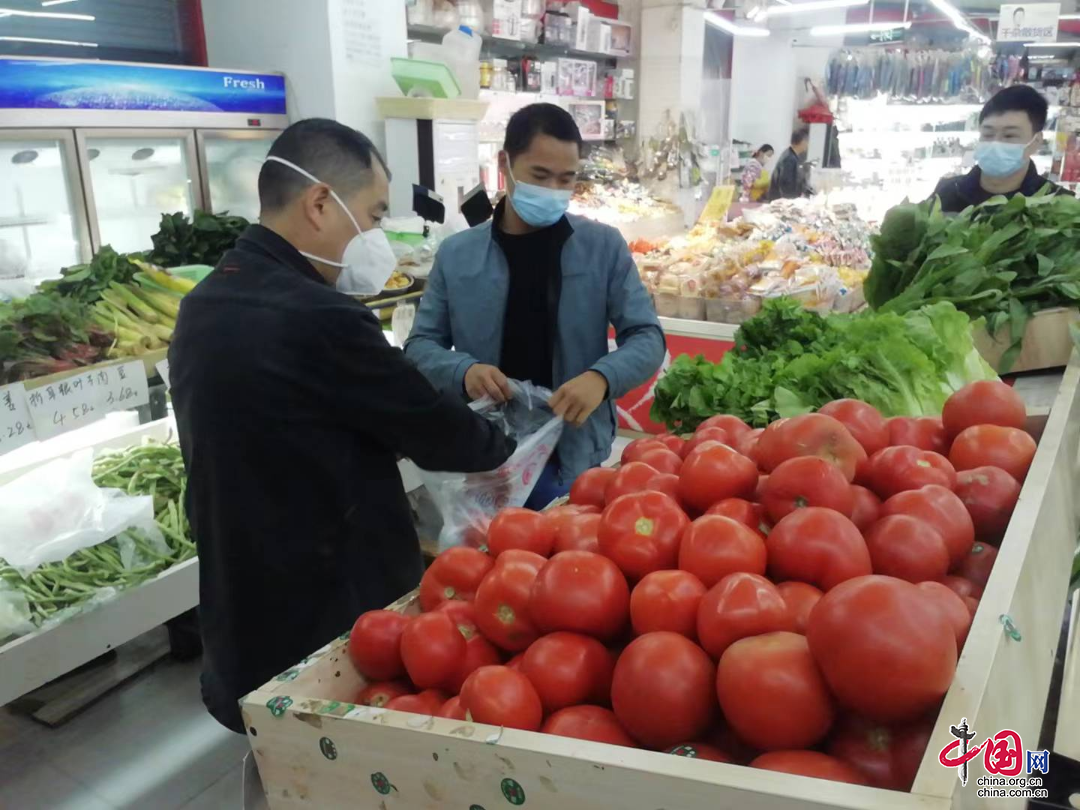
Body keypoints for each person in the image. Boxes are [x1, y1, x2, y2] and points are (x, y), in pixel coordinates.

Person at [169, 119, 515, 734]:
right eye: (375, 216)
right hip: (326, 609)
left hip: (241, 601)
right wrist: (505, 444)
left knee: (273, 760)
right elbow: (432, 429)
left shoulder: (205, 301)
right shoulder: (318, 315)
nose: (378, 235)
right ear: (321, 203)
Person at [405, 103, 665, 509]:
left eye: (566, 180)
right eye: (540, 176)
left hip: (575, 450)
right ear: (505, 163)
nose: (553, 191)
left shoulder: (603, 247)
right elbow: (420, 346)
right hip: (487, 452)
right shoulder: (457, 255)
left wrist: (601, 378)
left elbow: (647, 336)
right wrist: (463, 371)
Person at [930, 85, 1068, 213]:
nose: (995, 143)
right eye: (988, 134)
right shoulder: (946, 192)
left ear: (1036, 142)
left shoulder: (1060, 205)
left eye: (1009, 135)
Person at [767, 129, 810, 200]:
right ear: (802, 142)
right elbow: (786, 183)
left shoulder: (790, 155)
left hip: (781, 198)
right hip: (780, 200)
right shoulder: (789, 158)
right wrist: (790, 201)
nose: (807, 145)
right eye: (807, 142)